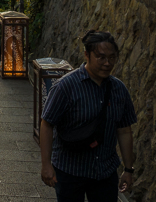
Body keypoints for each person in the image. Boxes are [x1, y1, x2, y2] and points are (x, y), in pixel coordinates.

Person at [40, 30, 138, 202]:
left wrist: (128, 169)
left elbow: (124, 130)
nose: (107, 63)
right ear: (87, 54)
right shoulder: (66, 87)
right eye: (101, 57)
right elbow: (47, 124)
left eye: (112, 58)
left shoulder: (119, 90)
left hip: (105, 171)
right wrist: (46, 165)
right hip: (70, 170)